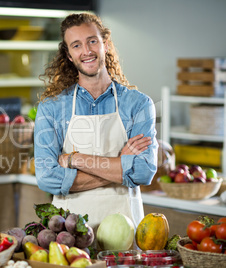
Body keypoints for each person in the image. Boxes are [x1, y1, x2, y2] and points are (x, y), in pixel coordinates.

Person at [33, 13, 158, 233]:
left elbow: (143, 172)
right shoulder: (51, 109)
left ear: (105, 44)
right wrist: (120, 166)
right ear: (69, 55)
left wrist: (75, 159)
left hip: (126, 234)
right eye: (76, 45)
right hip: (69, 239)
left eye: (92, 41)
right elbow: (47, 178)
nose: (87, 51)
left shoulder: (138, 104)